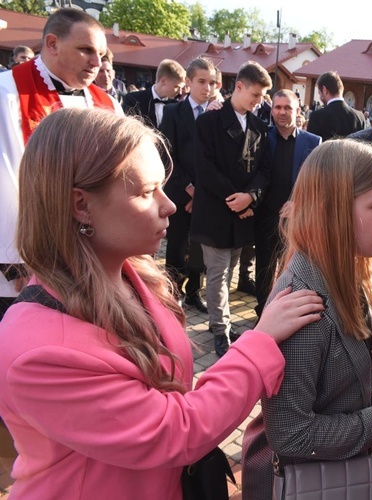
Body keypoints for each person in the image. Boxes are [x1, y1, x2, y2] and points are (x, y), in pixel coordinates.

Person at [0, 107, 324, 499]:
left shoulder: (131, 274)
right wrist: (260, 342)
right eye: (145, 192)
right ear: (80, 205)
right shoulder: (35, 351)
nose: (168, 205)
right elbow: (175, 430)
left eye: (163, 187)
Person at [241, 140, 372, 499]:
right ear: (332, 211)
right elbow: (289, 434)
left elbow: (362, 364)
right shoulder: (305, 310)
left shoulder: (350, 271)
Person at [0, 8, 119, 320]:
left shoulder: (106, 103)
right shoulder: (8, 93)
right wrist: (15, 263)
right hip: (29, 259)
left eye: (101, 53)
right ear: (52, 44)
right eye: (86, 50)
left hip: (88, 257)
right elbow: (4, 180)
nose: (97, 63)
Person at [191, 61, 272, 357]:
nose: (259, 101)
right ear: (238, 86)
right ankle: (220, 330)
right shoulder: (209, 122)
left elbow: (264, 169)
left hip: (243, 212)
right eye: (256, 94)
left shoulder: (260, 126)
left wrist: (250, 197)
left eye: (263, 96)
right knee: (217, 273)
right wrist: (235, 199)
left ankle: (221, 319)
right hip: (216, 210)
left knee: (231, 269)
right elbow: (205, 168)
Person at [159, 57, 220, 316]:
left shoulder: (217, 115)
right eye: (201, 82)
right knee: (176, 245)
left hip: (206, 196)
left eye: (212, 83)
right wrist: (189, 187)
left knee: (200, 247)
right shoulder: (173, 113)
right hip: (179, 191)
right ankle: (175, 291)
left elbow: (218, 158)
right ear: (189, 82)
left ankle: (195, 290)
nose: (207, 88)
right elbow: (165, 154)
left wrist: (203, 191)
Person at [254, 89, 321, 316]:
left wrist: (299, 203)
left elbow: (317, 181)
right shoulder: (261, 135)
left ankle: (286, 311)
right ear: (271, 109)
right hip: (265, 213)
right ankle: (262, 310)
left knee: (291, 266)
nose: (282, 112)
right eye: (277, 107)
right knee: (264, 266)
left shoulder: (313, 142)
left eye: (288, 108)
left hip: (296, 216)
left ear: (297, 110)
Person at [122, 58, 185, 129]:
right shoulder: (133, 100)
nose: (180, 92)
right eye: (176, 87)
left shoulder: (177, 106)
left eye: (181, 88)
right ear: (163, 81)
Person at [306, 70, 366, 140]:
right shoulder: (360, 117)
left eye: (319, 93)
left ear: (324, 90)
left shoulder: (317, 117)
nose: (319, 97)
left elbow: (311, 147)